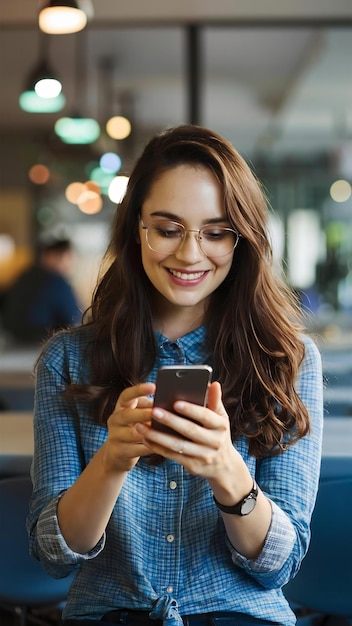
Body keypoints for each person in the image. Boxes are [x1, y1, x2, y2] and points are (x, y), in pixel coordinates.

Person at [27, 125, 323, 626]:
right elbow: (55, 556)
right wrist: (111, 461)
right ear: (135, 228)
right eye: (167, 229)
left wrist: (226, 469)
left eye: (216, 232)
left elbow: (280, 565)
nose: (189, 254)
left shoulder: (287, 360)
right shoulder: (68, 360)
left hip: (239, 614)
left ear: (242, 239)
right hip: (110, 614)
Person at [1, 237, 81, 345]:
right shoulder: (56, 282)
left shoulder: (24, 277)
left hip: (12, 344)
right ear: (48, 256)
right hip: (40, 345)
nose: (68, 265)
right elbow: (75, 319)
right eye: (65, 259)